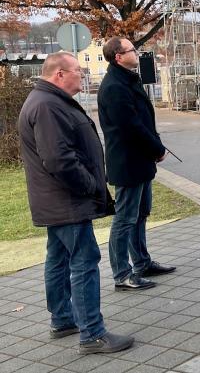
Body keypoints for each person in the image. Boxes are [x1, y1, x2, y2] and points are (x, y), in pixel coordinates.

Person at [17, 52, 134, 354]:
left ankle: (63, 319)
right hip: (66, 200)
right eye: (78, 71)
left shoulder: (48, 101)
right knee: (84, 261)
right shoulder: (46, 105)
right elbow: (58, 159)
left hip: (56, 201)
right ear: (59, 74)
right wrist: (90, 185)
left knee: (58, 259)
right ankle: (92, 334)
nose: (82, 75)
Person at [98, 37, 174, 291]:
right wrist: (156, 148)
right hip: (128, 162)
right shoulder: (114, 87)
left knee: (140, 215)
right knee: (125, 219)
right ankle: (122, 274)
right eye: (132, 50)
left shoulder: (128, 79)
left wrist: (155, 146)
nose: (136, 52)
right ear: (118, 56)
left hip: (140, 160)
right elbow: (130, 127)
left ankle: (142, 262)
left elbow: (144, 120)